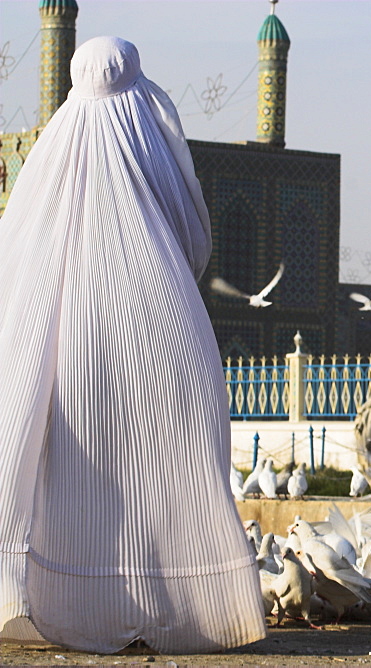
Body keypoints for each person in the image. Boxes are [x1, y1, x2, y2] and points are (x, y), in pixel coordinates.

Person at [0, 37, 265, 653]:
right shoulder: (144, 130)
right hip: (155, 326)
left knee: (73, 474)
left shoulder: (52, 149)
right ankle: (178, 607)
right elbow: (191, 234)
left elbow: (13, 253)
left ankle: (60, 605)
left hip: (58, 339)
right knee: (162, 463)